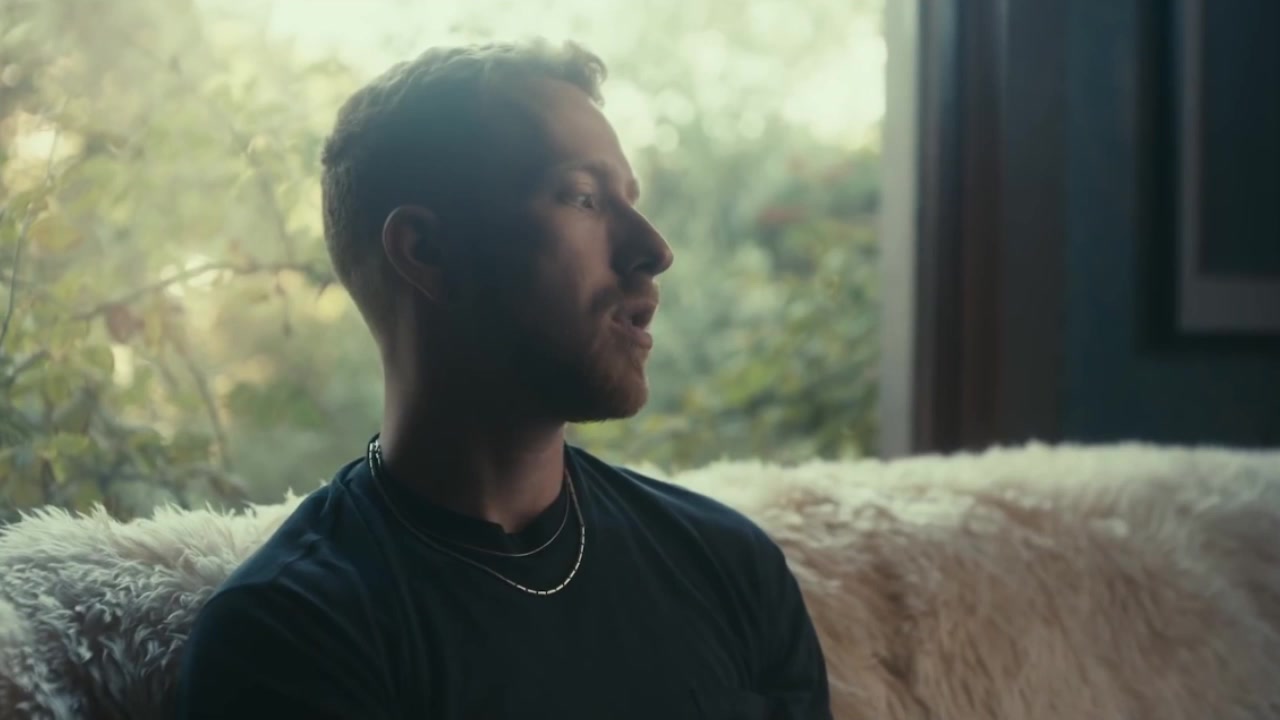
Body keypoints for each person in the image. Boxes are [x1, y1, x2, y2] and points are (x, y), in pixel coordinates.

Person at [174, 39, 831, 720]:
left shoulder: (729, 565)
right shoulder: (292, 636)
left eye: (630, 201)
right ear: (428, 251)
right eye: (583, 197)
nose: (654, 250)